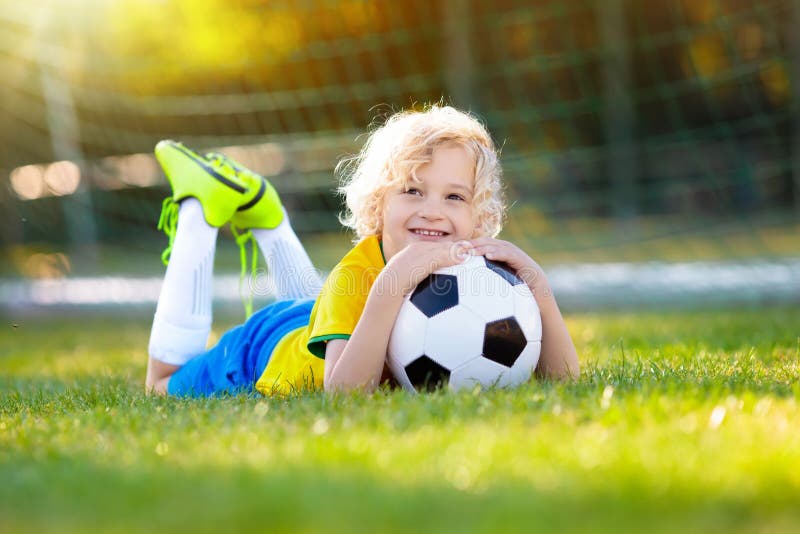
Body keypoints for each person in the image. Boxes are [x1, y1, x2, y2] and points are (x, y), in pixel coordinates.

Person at [145, 105, 579, 397]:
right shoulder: (354, 278)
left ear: (479, 218)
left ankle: (267, 215)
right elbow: (343, 394)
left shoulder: (486, 281)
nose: (432, 212)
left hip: (318, 316)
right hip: (267, 346)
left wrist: (538, 289)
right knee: (161, 384)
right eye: (412, 190)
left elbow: (564, 382)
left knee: (313, 306)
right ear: (378, 204)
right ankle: (198, 208)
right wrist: (393, 283)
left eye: (454, 198)